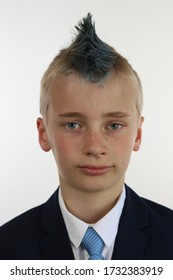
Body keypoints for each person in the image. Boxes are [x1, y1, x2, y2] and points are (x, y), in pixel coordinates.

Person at [0, 13, 173, 260]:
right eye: (73, 124)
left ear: (138, 134)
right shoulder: (7, 248)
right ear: (43, 134)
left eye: (113, 125)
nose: (94, 147)